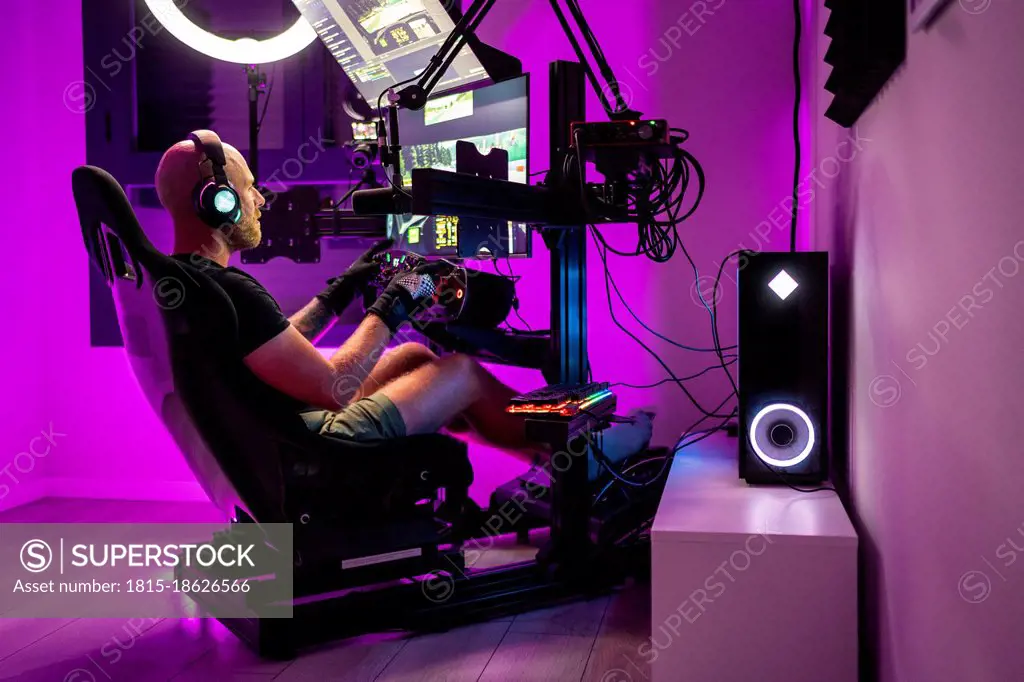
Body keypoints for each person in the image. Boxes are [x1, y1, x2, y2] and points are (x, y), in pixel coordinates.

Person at [154, 130, 544, 460]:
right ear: (217, 201)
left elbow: (274, 344)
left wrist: (341, 291)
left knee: (414, 356)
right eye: (248, 188)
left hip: (282, 424)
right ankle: (569, 467)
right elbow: (332, 389)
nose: (259, 201)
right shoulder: (231, 288)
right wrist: (395, 304)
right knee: (462, 372)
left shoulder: (193, 281)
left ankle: (543, 460)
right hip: (313, 440)